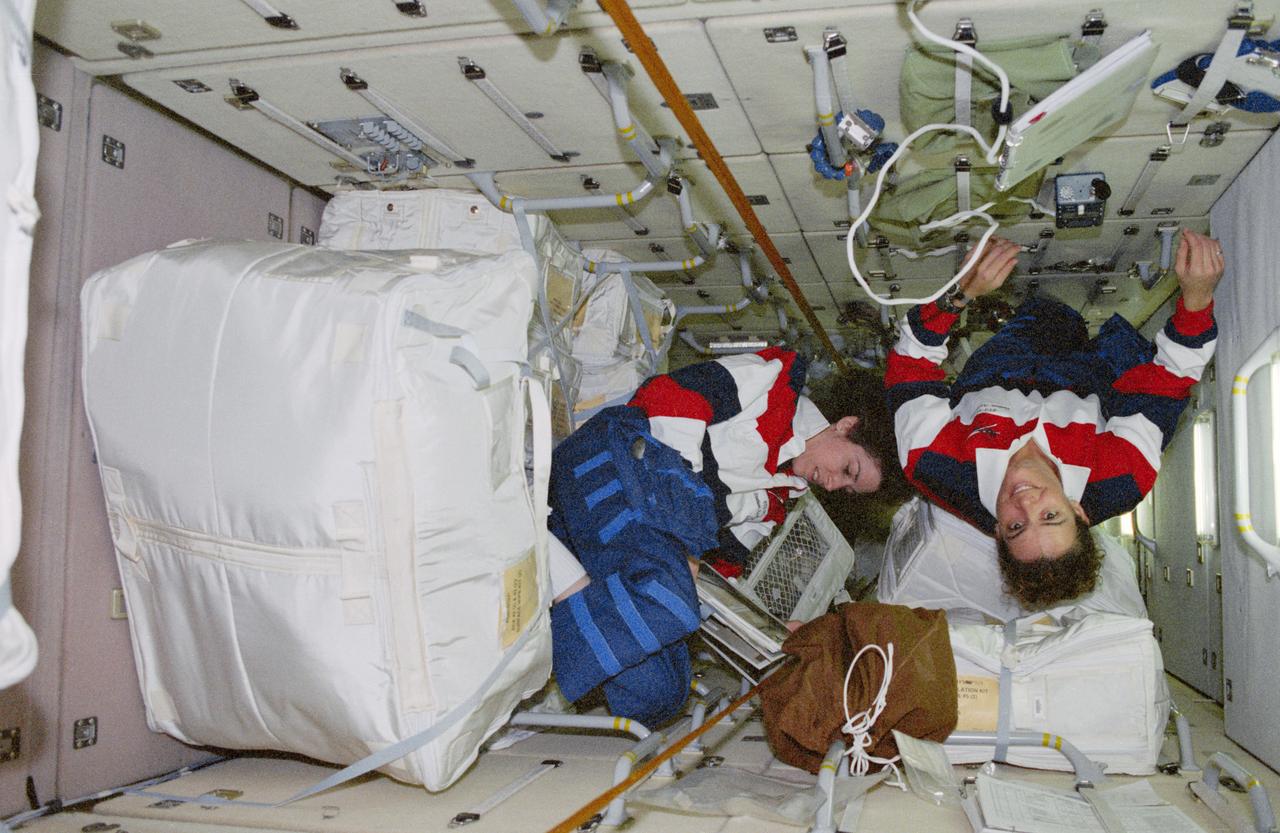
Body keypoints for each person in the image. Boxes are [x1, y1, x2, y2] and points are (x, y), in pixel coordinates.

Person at [547, 346, 898, 724]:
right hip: (609, 462)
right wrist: (687, 534)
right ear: (845, 426)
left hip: (625, 537)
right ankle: (565, 587)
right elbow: (666, 397)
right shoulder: (771, 384)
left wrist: (768, 630)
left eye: (845, 488)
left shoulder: (776, 502)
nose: (831, 483)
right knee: (671, 596)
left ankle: (558, 571)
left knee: (661, 695)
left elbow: (719, 578)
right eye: (848, 469)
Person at [886, 230, 1224, 609]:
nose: (1026, 502)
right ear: (1079, 510)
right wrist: (1197, 297)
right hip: (1083, 380)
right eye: (1050, 515)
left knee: (1039, 313)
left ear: (997, 533)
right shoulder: (1121, 478)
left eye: (1016, 527)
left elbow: (909, 365)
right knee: (1079, 328)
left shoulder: (934, 466)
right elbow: (1170, 379)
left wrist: (960, 294)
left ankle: (1037, 308)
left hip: (997, 369)